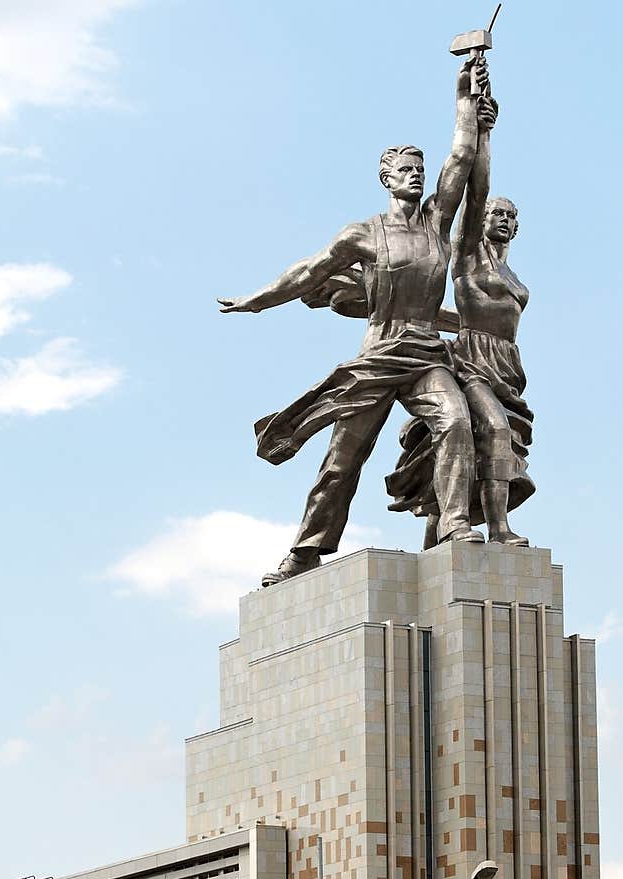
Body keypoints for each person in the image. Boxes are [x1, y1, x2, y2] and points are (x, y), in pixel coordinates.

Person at [218, 55, 493, 585]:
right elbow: (307, 272)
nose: (415, 176)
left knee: (455, 421)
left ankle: (455, 523)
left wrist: (466, 102)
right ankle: (305, 549)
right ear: (386, 179)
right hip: (380, 352)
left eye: (419, 169)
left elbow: (460, 157)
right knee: (344, 459)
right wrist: (257, 299)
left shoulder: (438, 221)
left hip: (425, 353)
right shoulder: (362, 234)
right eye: (405, 170)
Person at [386, 84, 534, 546]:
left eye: (512, 215)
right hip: (471, 358)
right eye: (496, 214)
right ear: (481, 220)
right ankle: (499, 527)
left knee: (497, 439)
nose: (504, 220)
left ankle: (444, 528)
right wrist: (484, 132)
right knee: (490, 428)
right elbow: (478, 184)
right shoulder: (469, 256)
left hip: (507, 363)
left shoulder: (511, 272)